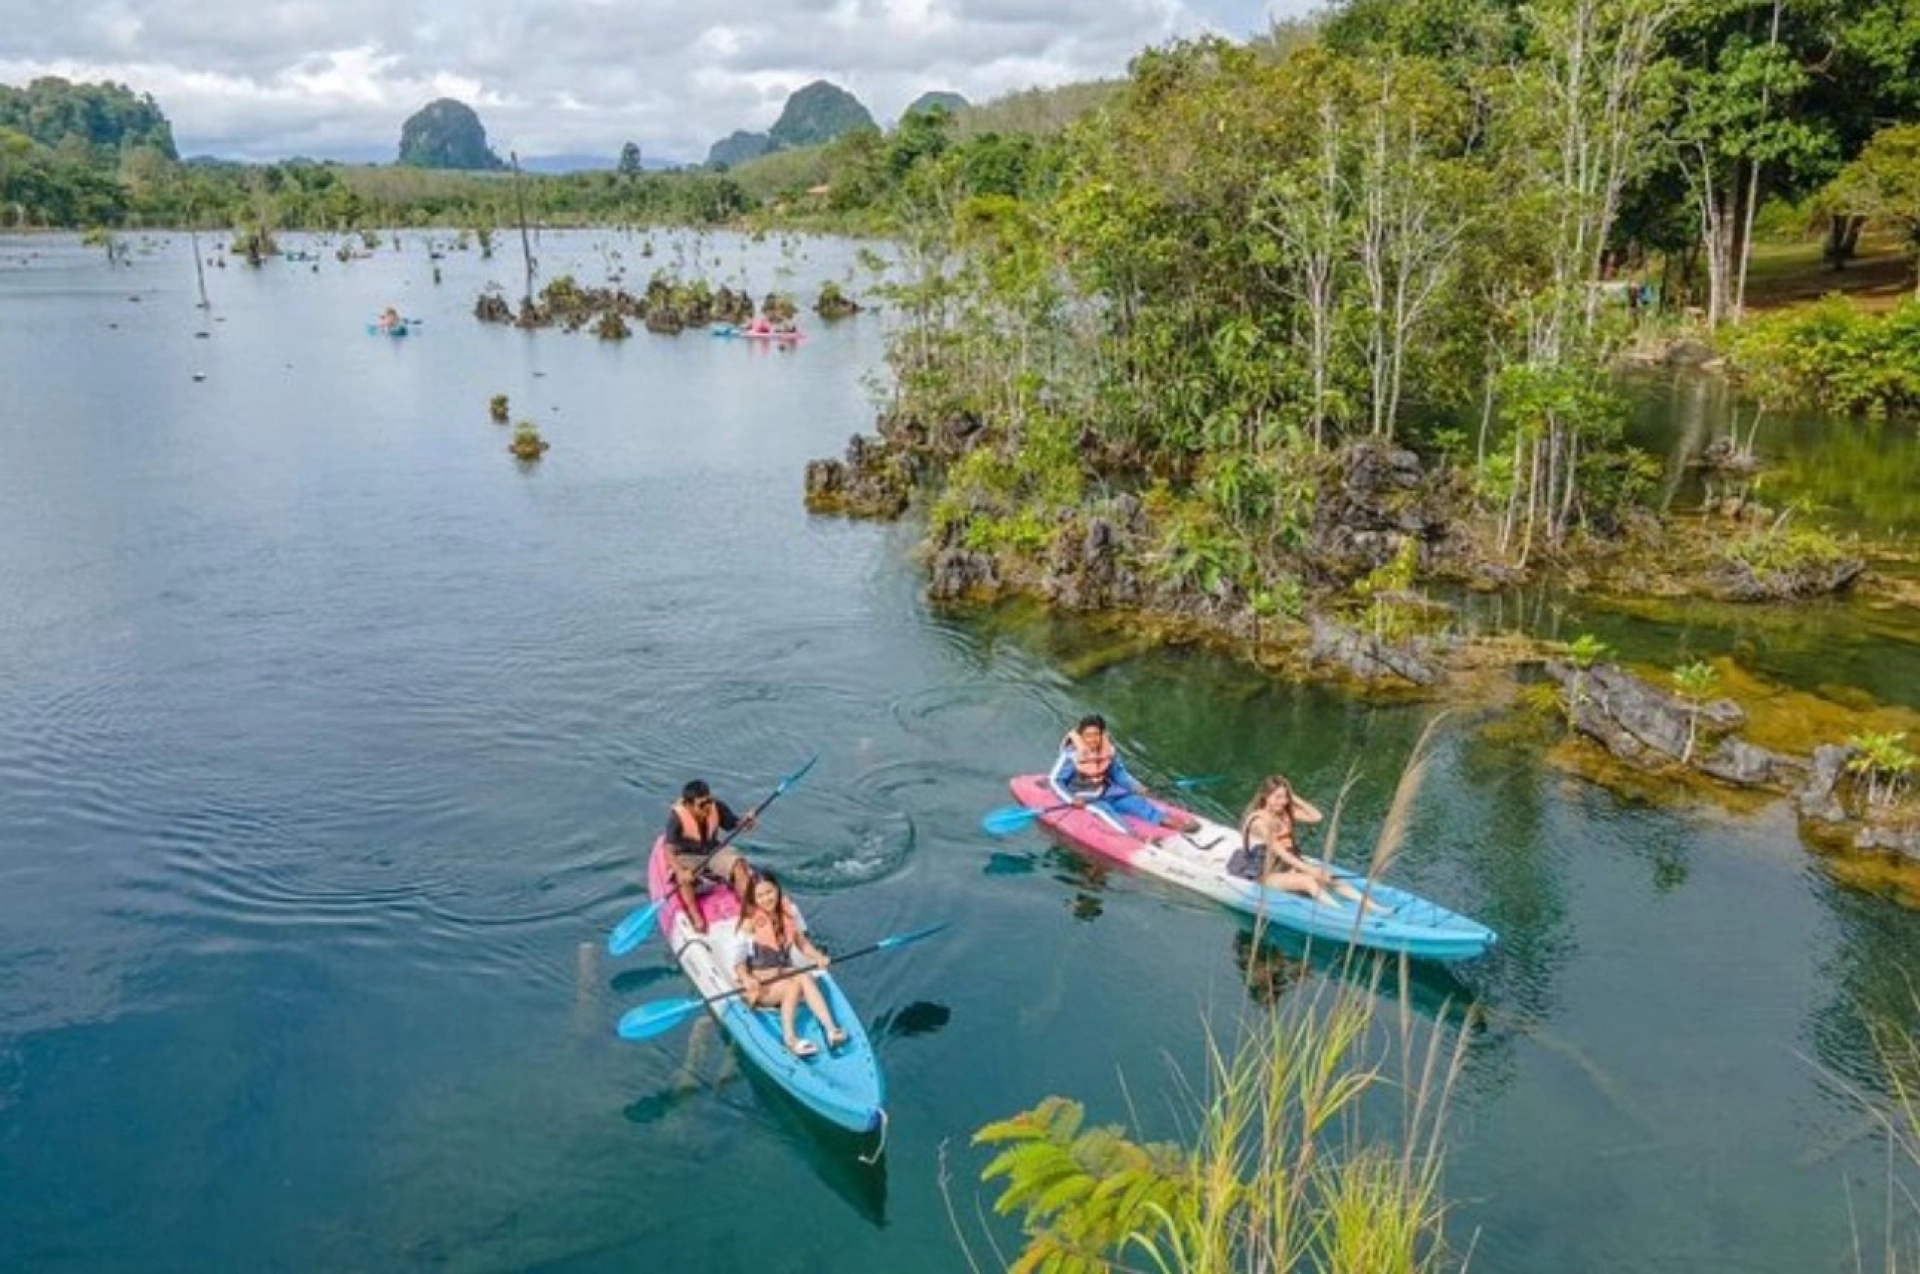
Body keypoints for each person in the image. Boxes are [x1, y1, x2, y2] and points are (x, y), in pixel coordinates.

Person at [733, 870, 848, 1058]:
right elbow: (738, 963)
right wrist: (746, 979)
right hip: (762, 988)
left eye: (769, 892)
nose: (766, 899)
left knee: (804, 975)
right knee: (793, 984)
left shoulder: (789, 912)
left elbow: (801, 942)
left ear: (777, 890)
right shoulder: (749, 924)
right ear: (753, 899)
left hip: (782, 973)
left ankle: (831, 1029)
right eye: (760, 895)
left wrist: (817, 956)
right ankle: (790, 1040)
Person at [1231, 774, 1375, 909]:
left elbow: (1316, 817)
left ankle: (1374, 908)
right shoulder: (1259, 821)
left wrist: (1293, 797)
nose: (1282, 802)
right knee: (1308, 881)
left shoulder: (1284, 812)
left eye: (1285, 797)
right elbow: (1282, 853)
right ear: (1265, 796)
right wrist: (1311, 870)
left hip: (1284, 867)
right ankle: (1340, 913)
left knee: (1331, 878)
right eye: (1277, 797)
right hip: (1263, 873)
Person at [1048, 713, 1202, 836]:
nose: (1092, 739)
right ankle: (1133, 837)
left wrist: (1135, 786)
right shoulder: (1071, 755)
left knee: (1139, 804)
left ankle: (1178, 825)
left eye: (1096, 735)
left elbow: (1118, 773)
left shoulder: (1108, 750)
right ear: (1081, 735)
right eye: (1088, 735)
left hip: (1107, 790)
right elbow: (1055, 780)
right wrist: (1070, 799)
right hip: (1084, 797)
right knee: (1106, 813)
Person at [664, 779, 756, 934]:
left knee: (739, 865)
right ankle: (695, 916)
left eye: (709, 801)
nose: (707, 807)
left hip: (712, 851)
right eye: (701, 804)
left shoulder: (716, 807)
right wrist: (680, 871)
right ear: (688, 805)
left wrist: (745, 823)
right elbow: (669, 850)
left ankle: (749, 911)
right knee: (683, 878)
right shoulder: (676, 818)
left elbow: (735, 824)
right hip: (688, 856)